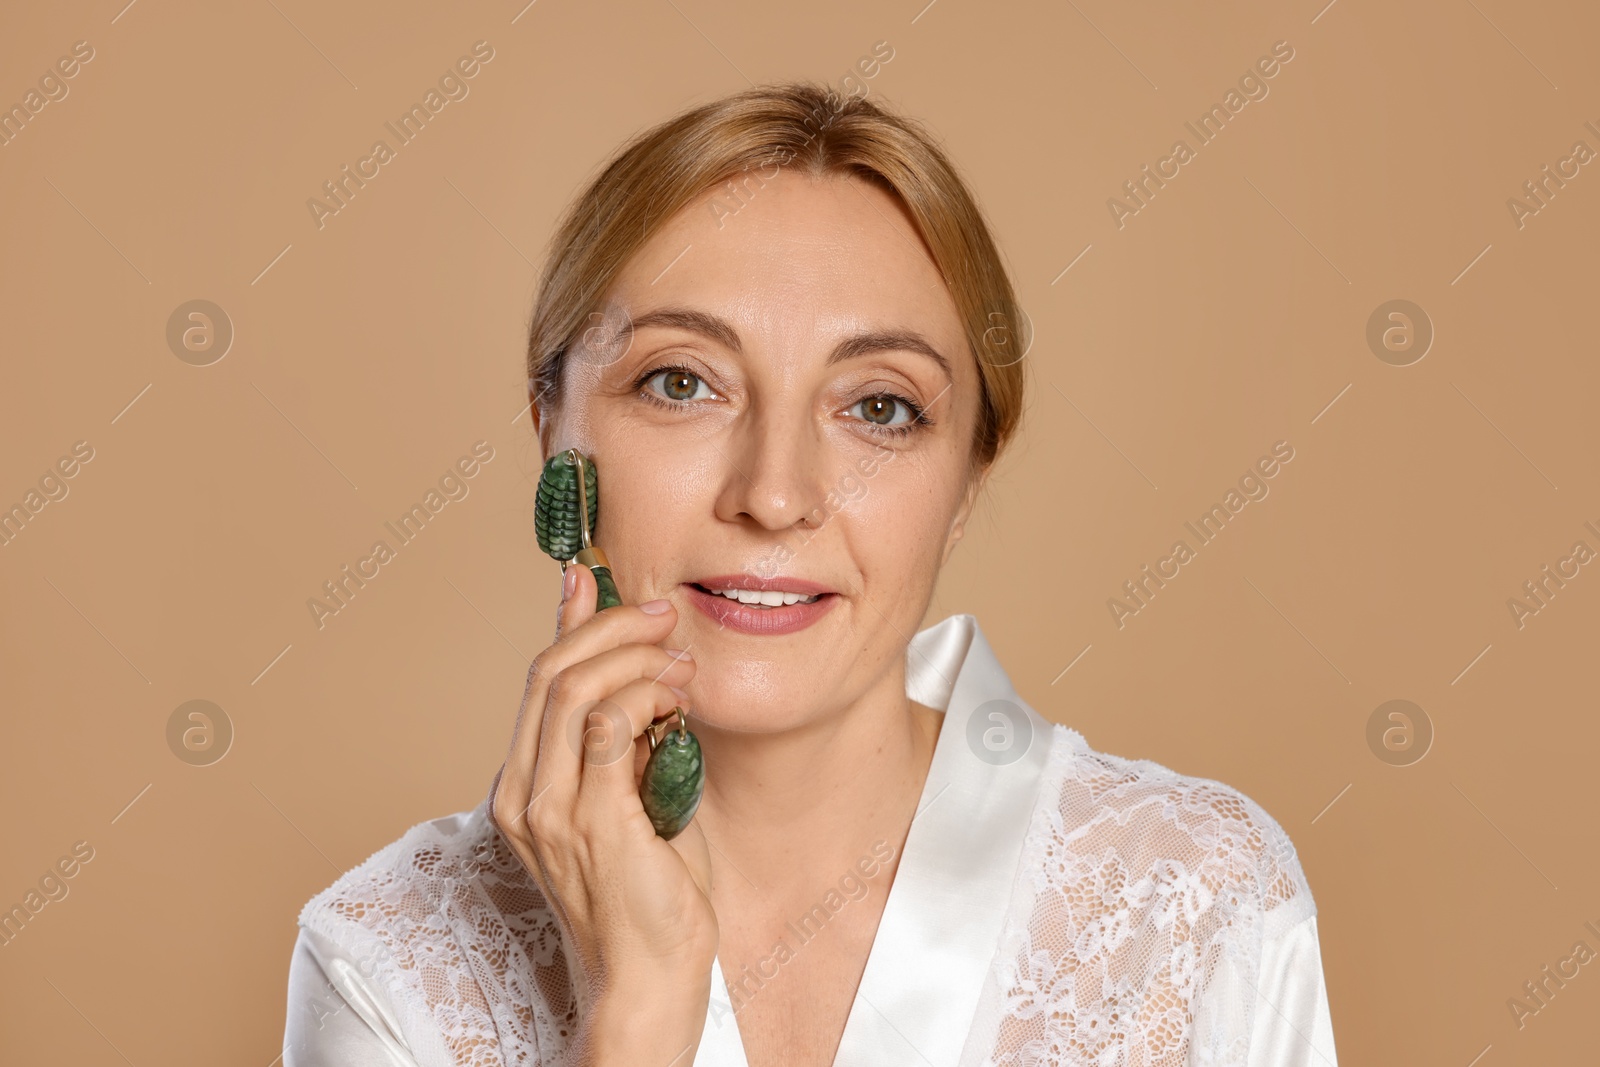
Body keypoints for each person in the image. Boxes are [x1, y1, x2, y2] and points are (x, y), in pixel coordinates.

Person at [281, 81, 1338, 1067]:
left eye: (879, 405)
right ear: (552, 429)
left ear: (967, 476)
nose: (775, 493)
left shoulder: (1198, 904)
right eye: (682, 381)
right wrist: (639, 1009)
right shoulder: (390, 959)